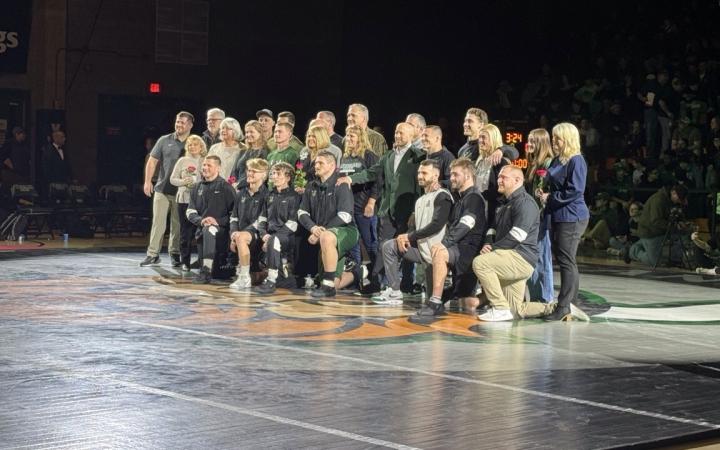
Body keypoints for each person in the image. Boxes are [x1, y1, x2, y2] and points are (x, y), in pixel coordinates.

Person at [337, 122, 424, 292]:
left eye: (402, 133)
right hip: (387, 210)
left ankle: (406, 284)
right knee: (383, 246)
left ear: (412, 136)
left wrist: (415, 211)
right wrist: (351, 179)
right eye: (396, 132)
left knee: (406, 246)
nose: (397, 136)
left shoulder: (418, 156)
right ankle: (380, 284)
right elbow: (371, 172)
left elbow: (419, 187)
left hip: (407, 211)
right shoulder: (389, 155)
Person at [472, 166, 557, 321]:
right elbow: (492, 229)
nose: (499, 180)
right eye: (498, 177)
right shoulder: (505, 204)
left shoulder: (526, 203)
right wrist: (488, 242)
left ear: (517, 180)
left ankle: (499, 307)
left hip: (520, 258)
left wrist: (492, 248)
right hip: (510, 256)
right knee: (515, 310)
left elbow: (518, 235)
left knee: (481, 263)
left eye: (503, 177)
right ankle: (557, 308)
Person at [372, 159, 452, 305]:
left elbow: (436, 225)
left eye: (424, 173)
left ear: (436, 175)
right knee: (389, 246)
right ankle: (395, 291)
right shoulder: (420, 200)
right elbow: (417, 227)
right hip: (421, 251)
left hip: (437, 253)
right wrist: (406, 238)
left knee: (434, 300)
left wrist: (409, 236)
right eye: (419, 172)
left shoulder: (442, 195)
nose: (420, 176)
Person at [413, 157, 485, 319]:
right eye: (451, 175)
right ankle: (439, 297)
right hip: (458, 249)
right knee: (463, 302)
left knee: (439, 251)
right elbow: (446, 182)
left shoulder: (473, 198)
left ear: (467, 176)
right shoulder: (461, 196)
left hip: (467, 252)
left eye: (455, 175)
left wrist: (444, 244)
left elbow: (465, 225)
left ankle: (436, 302)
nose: (451, 178)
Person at [538, 123, 590, 321]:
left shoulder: (576, 160)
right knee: (565, 259)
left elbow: (575, 189)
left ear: (568, 139)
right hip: (558, 215)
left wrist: (550, 198)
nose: (554, 141)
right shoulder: (558, 160)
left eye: (558, 138)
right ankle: (569, 302)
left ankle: (564, 306)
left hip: (572, 215)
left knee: (566, 260)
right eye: (553, 137)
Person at [298, 151, 359, 297]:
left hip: (347, 231)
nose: (316, 166)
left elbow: (345, 216)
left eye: (321, 163)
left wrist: (322, 232)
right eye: (315, 163)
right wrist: (313, 228)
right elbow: (302, 212)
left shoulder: (341, 183)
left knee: (326, 237)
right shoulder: (311, 186)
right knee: (334, 283)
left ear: (332, 165)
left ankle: (327, 286)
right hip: (324, 234)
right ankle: (358, 273)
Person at [141, 111, 194, 267]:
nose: (179, 125)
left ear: (190, 125)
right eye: (178, 121)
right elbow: (152, 161)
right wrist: (147, 181)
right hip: (162, 189)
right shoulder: (164, 140)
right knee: (158, 223)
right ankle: (153, 254)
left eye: (183, 122)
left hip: (182, 192)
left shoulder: (194, 142)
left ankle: (175, 253)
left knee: (177, 225)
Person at [186, 155, 236, 284]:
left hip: (222, 233)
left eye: (209, 165)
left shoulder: (226, 187)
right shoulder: (196, 187)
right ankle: (207, 267)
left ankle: (206, 270)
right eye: (204, 165)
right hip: (202, 232)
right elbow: (190, 211)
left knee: (210, 229)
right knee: (207, 229)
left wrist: (217, 222)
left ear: (218, 168)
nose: (205, 168)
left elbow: (235, 215)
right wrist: (201, 220)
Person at [253, 162, 301, 294]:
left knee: (274, 240)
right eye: (273, 173)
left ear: (288, 177)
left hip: (287, 238)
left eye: (278, 174)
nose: (274, 176)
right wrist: (264, 235)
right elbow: (262, 219)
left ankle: (271, 280)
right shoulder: (269, 195)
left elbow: (293, 223)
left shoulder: (294, 197)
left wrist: (272, 239)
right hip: (269, 236)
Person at [338, 124, 379, 273]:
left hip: (364, 206)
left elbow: (377, 181)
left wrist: (371, 202)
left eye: (352, 136)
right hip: (348, 207)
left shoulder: (369, 156)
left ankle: (376, 278)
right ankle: (356, 278)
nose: (348, 139)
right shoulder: (345, 157)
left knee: (370, 244)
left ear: (360, 138)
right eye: (347, 136)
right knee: (353, 244)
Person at [229, 158, 269, 290]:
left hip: (257, 234)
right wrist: (233, 233)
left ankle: (244, 277)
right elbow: (234, 217)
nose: (250, 173)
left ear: (264, 175)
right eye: (249, 170)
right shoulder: (241, 194)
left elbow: (262, 221)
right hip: (240, 234)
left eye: (254, 171)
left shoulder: (267, 195)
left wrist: (240, 234)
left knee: (241, 237)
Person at [624, 184, 688, 266]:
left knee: (684, 235)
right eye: (679, 199)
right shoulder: (658, 200)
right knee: (654, 262)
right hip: (650, 232)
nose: (679, 201)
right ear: (673, 193)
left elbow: (677, 214)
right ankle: (632, 251)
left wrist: (681, 222)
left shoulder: (671, 200)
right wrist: (674, 226)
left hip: (662, 231)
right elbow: (656, 221)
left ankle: (675, 258)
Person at [169, 134, 206, 271]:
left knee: (201, 230)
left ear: (201, 146)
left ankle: (203, 261)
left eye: (195, 144)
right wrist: (183, 182)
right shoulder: (182, 161)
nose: (192, 147)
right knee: (185, 232)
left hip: (200, 200)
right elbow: (172, 179)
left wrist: (197, 183)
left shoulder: (204, 161)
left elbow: (208, 178)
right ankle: (185, 261)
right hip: (184, 199)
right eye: (190, 144)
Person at [526, 128, 555, 303]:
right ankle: (537, 297)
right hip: (534, 218)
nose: (529, 144)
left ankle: (545, 299)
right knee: (534, 257)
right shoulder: (535, 163)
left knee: (542, 257)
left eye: (533, 141)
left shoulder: (547, 163)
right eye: (528, 140)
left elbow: (545, 190)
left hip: (542, 218)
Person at [229, 120, 269, 190]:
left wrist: (238, 185)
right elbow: (234, 171)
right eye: (247, 132)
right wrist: (231, 184)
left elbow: (258, 175)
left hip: (253, 190)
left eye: (251, 132)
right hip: (237, 190)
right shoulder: (242, 151)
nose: (248, 135)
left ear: (260, 133)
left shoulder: (265, 152)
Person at [208, 117, 245, 181]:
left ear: (235, 131)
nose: (224, 130)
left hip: (234, 186)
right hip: (214, 184)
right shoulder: (214, 148)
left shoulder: (243, 148)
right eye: (222, 128)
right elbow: (207, 167)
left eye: (228, 128)